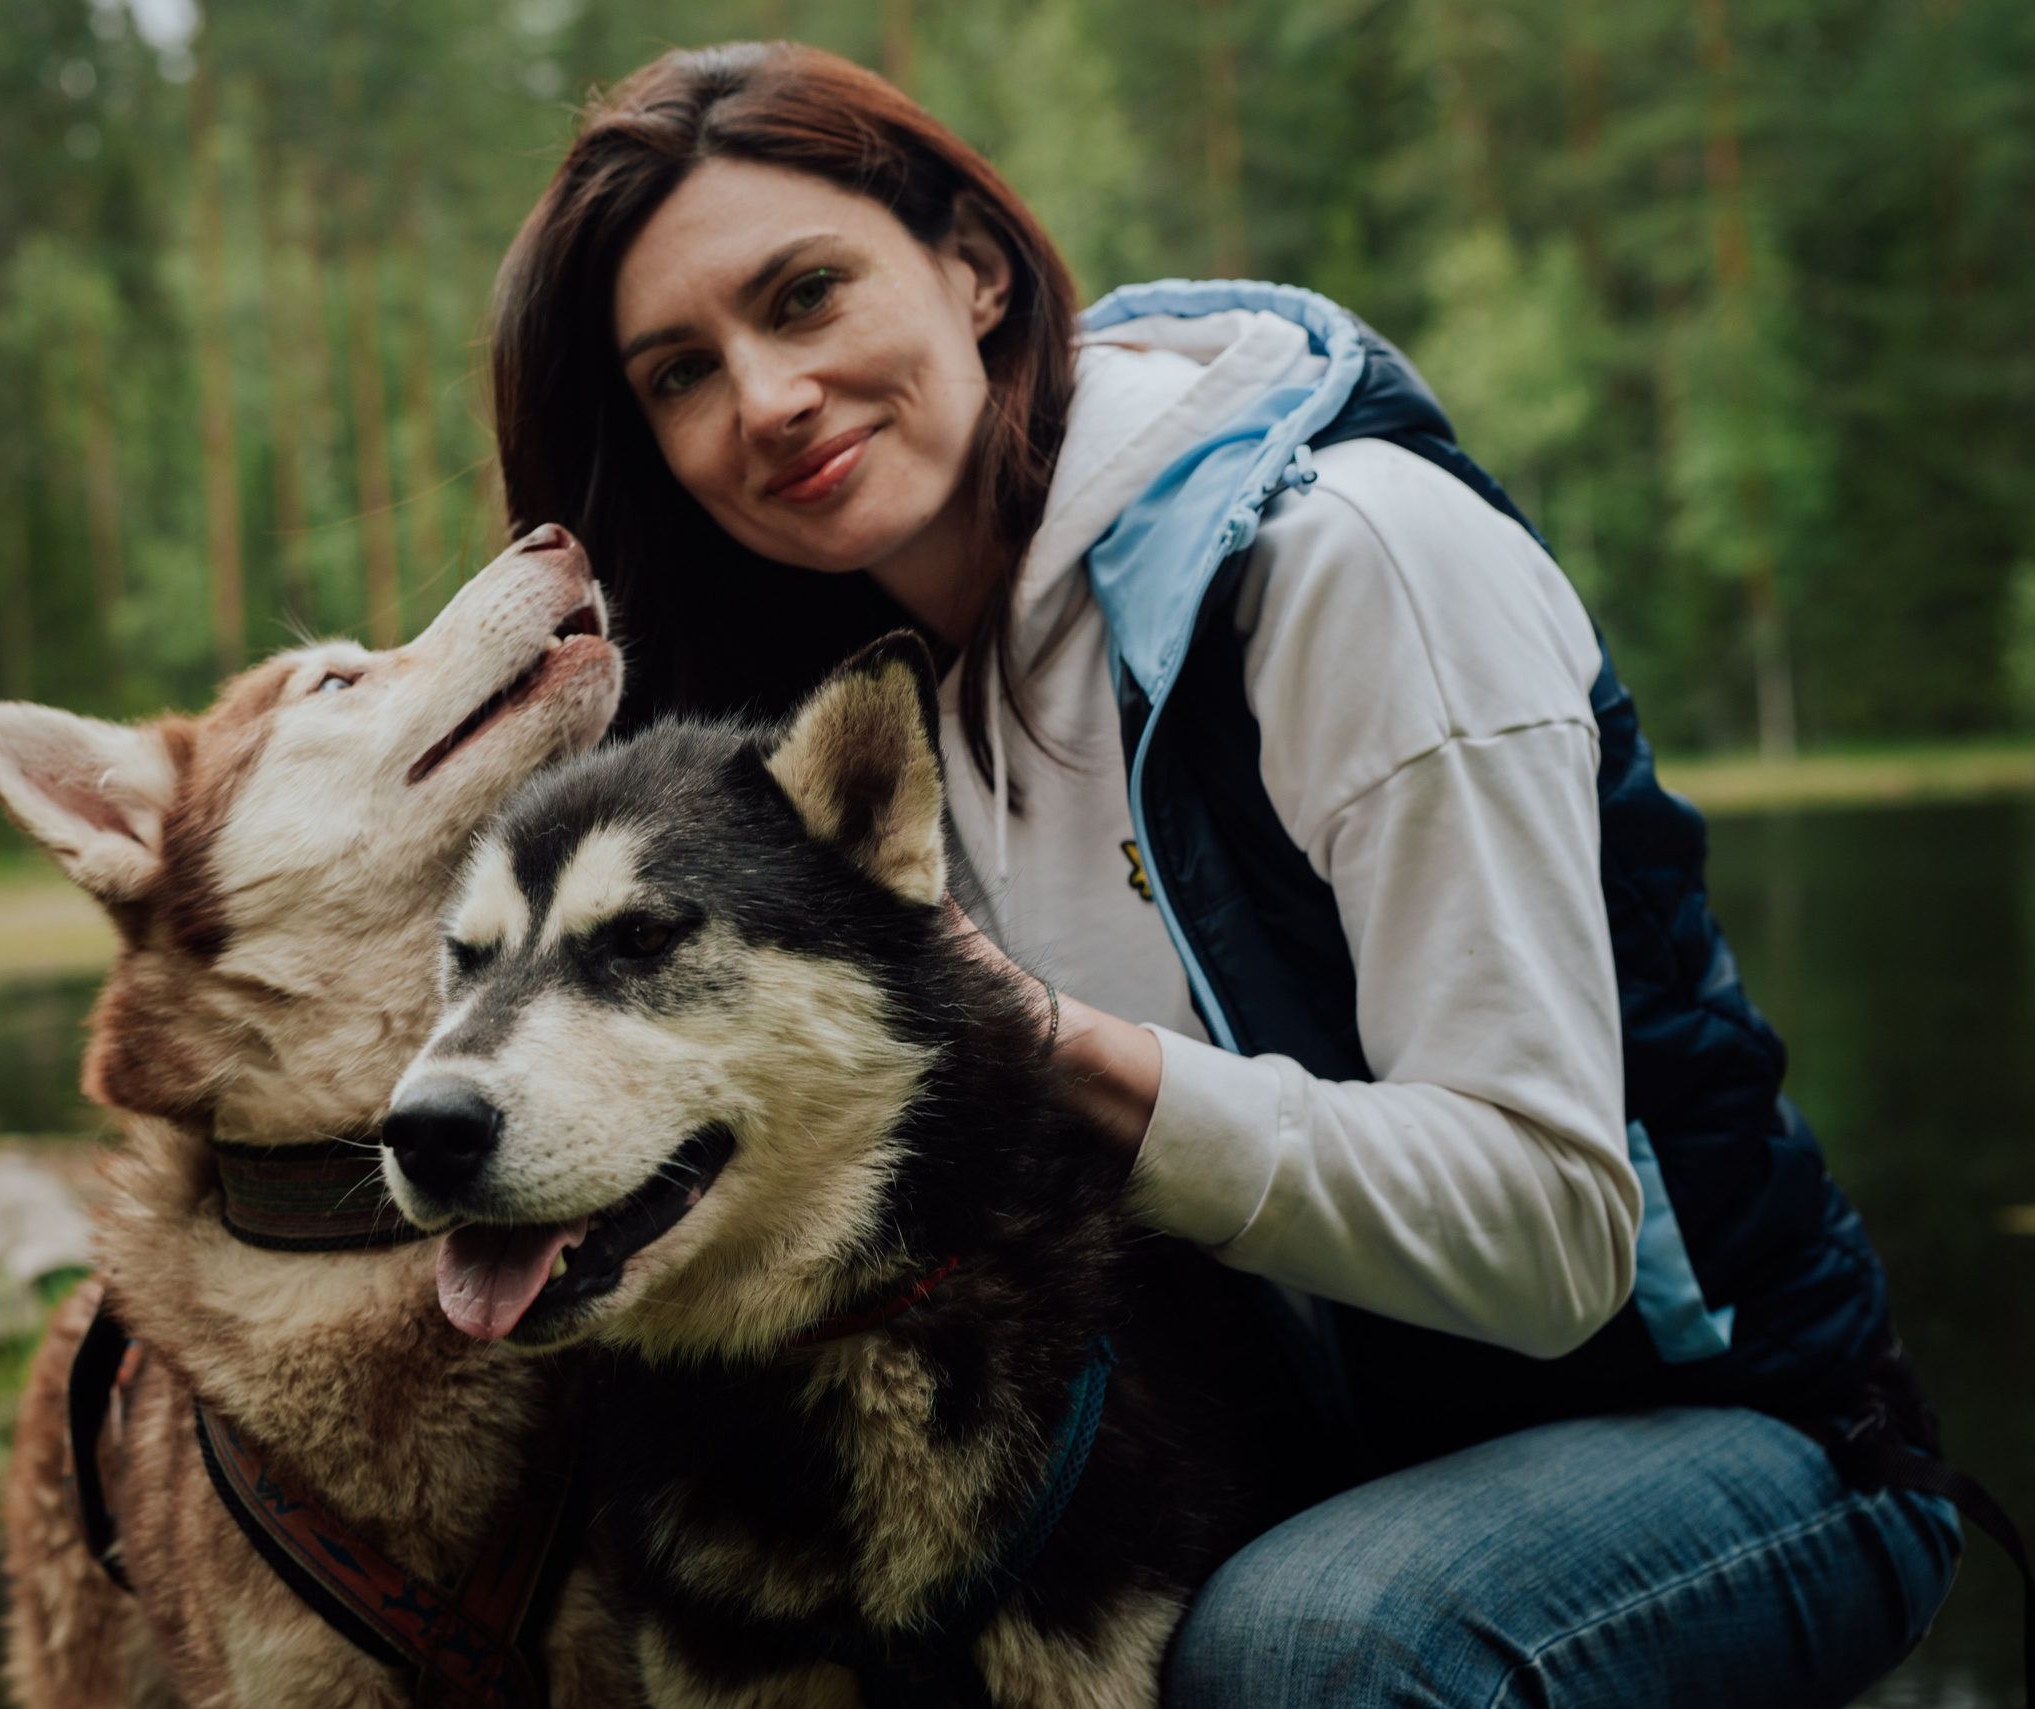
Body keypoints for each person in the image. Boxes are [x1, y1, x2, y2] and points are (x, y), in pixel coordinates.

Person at [487, 40, 1961, 1708]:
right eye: (679, 374)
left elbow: (1555, 1241)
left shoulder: (1348, 564)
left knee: (1310, 1651)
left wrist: (1062, 1049)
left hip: (1719, 1430)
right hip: (1287, 1439)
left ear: (974, 269)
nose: (763, 399)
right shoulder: (880, 714)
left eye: (807, 295)